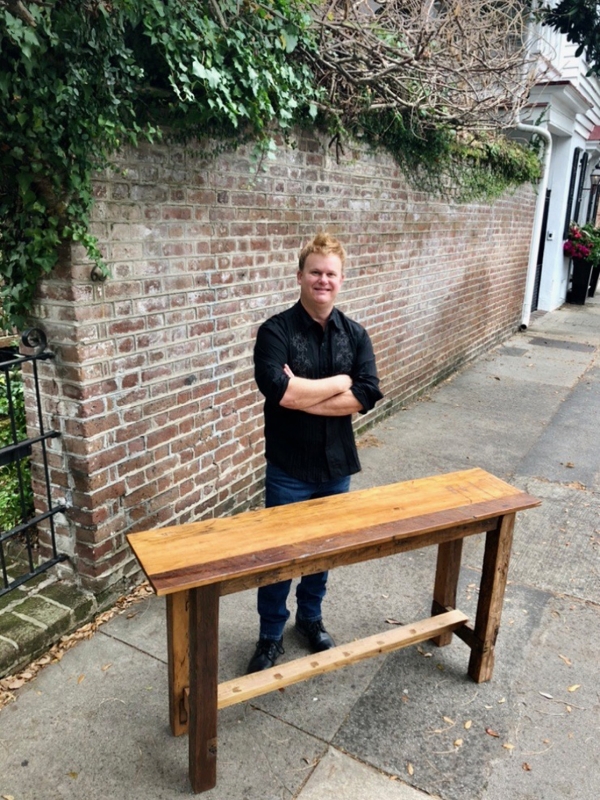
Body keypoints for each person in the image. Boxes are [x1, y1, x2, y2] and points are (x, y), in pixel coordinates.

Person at [248, 232, 383, 673]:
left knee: (321, 553)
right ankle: (270, 635)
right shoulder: (275, 332)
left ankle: (310, 618)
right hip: (288, 468)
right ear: (300, 276)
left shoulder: (355, 334)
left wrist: (304, 393)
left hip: (335, 467)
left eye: (331, 274)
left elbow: (367, 393)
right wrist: (340, 382)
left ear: (341, 280)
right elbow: (279, 390)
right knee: (278, 557)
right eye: (315, 272)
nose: (323, 280)